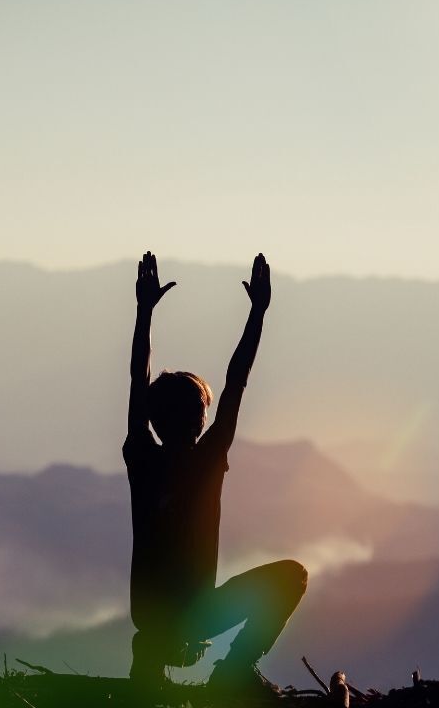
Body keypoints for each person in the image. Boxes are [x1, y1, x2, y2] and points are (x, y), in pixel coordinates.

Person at [124, 251, 307, 694]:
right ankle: (233, 673)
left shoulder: (141, 457)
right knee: (293, 575)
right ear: (201, 420)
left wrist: (144, 312)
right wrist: (258, 314)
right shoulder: (207, 462)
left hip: (149, 624)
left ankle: (148, 668)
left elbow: (136, 377)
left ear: (153, 419)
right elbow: (236, 380)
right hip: (198, 619)